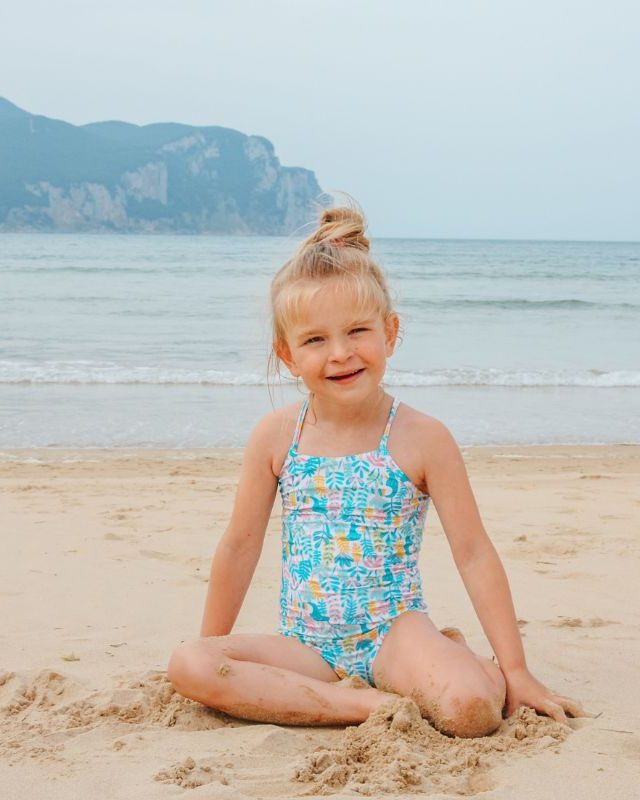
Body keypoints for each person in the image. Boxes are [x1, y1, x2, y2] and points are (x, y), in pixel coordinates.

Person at [168, 204, 587, 737]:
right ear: (288, 354)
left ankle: (448, 663)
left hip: (394, 636)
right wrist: (215, 647)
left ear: (390, 333)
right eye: (315, 340)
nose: (340, 353)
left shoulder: (423, 437)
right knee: (191, 664)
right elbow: (239, 545)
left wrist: (517, 670)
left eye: (357, 331)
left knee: (471, 711)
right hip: (306, 646)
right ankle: (363, 706)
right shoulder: (276, 436)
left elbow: (473, 552)